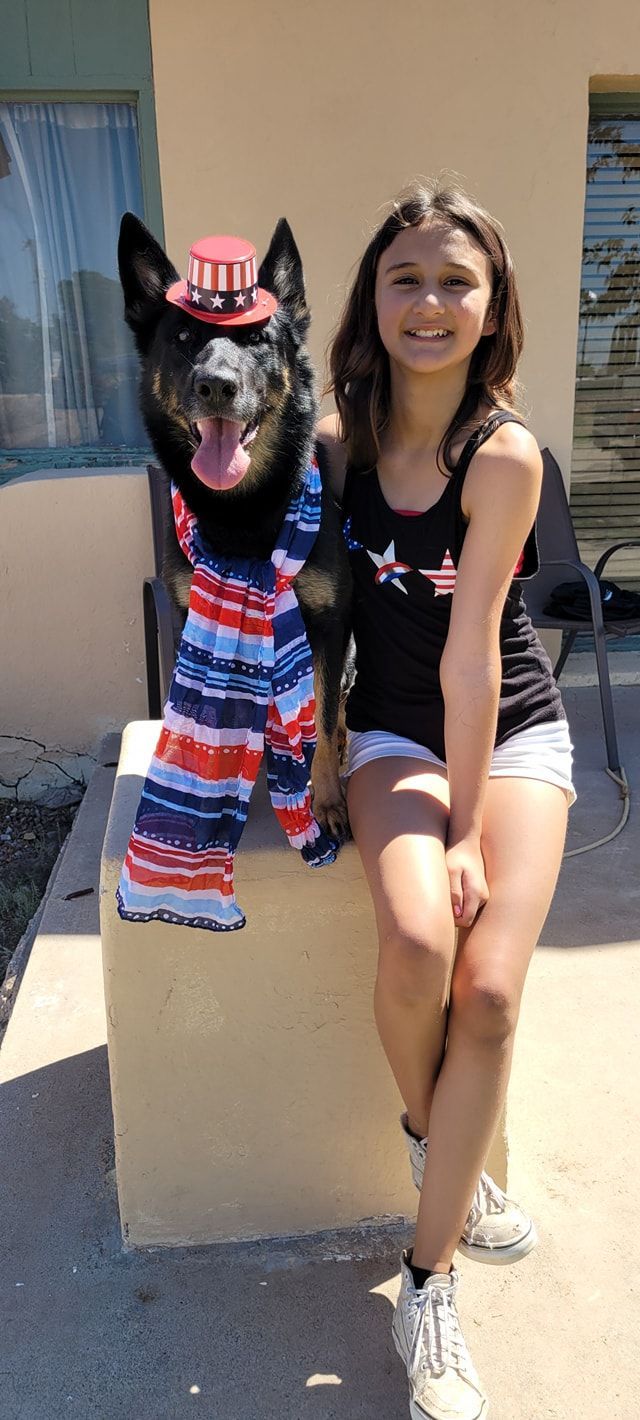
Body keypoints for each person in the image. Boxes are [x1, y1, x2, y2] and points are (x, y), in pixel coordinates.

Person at [317, 180, 574, 1420]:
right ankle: (446, 1149)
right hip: (387, 731)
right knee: (417, 940)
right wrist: (317, 748)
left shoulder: (504, 455)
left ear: (491, 304)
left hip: (508, 734)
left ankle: (428, 1282)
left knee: (488, 985)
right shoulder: (340, 444)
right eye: (406, 277)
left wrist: (467, 826)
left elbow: (477, 652)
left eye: (456, 281)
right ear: (374, 299)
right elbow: (315, 609)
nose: (430, 302)